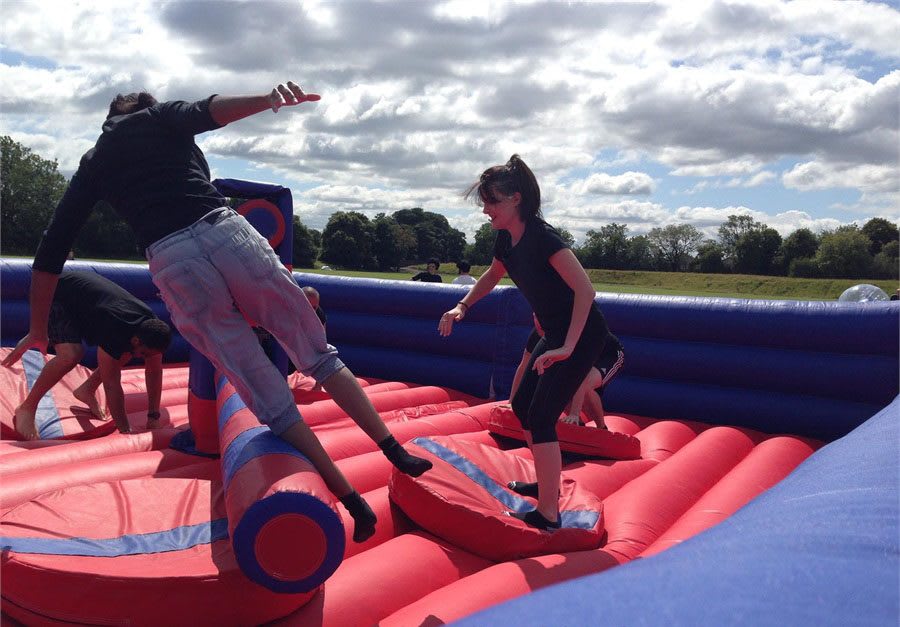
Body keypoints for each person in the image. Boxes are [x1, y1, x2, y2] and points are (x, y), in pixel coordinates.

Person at [1, 81, 431, 543]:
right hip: (223, 231)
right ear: (143, 109)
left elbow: (52, 249)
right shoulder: (159, 120)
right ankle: (394, 449)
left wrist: (39, 328)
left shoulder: (96, 160)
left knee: (264, 390)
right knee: (317, 354)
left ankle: (350, 500)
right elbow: (208, 111)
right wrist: (267, 100)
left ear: (109, 119)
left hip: (171, 258)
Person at [439, 154, 615, 531]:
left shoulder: (543, 238)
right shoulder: (506, 239)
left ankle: (548, 514)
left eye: (491, 201)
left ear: (515, 199)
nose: (485, 209)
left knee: (541, 415)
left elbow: (585, 290)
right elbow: (493, 275)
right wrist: (462, 305)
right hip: (554, 333)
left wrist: (567, 347)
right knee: (522, 405)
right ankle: (547, 483)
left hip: (581, 335)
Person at [11, 271, 171, 439]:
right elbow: (111, 385)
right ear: (137, 340)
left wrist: (153, 416)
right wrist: (125, 431)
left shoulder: (152, 331)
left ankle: (87, 389)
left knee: (128, 351)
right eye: (144, 353)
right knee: (71, 355)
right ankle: (27, 408)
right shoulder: (116, 330)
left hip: (84, 299)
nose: (143, 358)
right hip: (54, 293)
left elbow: (154, 371)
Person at [511, 314, 624, 430]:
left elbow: (580, 376)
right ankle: (579, 424)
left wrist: (574, 413)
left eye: (541, 317)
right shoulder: (536, 336)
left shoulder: (570, 336)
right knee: (554, 386)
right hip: (586, 355)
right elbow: (524, 365)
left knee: (585, 385)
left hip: (608, 354)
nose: (538, 322)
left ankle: (601, 427)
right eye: (535, 317)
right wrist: (512, 401)